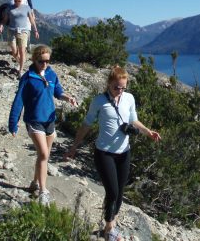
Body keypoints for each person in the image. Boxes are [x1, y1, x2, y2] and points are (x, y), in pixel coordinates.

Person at [64, 66, 161, 241]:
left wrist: (148, 131)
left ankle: (112, 221)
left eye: (123, 87)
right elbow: (86, 124)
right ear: (109, 83)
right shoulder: (99, 101)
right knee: (113, 192)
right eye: (116, 87)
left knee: (120, 192)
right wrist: (74, 147)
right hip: (104, 153)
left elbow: (133, 120)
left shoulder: (129, 99)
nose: (119, 91)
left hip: (124, 152)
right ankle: (109, 228)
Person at [8, 45, 78, 206]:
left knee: (42, 156)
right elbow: (18, 101)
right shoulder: (28, 78)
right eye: (41, 61)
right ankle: (43, 191)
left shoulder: (51, 74)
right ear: (34, 59)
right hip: (34, 120)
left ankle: (34, 182)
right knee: (45, 155)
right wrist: (13, 123)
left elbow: (58, 91)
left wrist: (68, 98)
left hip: (50, 120)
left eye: (47, 61)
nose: (45, 64)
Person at [0, 0, 39, 77]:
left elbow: (31, 20)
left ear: (22, 0)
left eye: (19, 1)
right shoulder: (10, 8)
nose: (17, 2)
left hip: (23, 31)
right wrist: (1, 25)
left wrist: (35, 30)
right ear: (14, 0)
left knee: (22, 51)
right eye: (16, 1)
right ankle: (20, 61)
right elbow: (5, 19)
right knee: (14, 51)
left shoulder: (27, 8)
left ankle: (20, 71)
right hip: (12, 30)